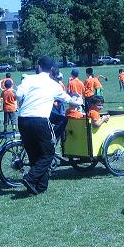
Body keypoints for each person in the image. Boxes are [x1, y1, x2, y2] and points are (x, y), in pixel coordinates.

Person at [16, 56, 82, 195]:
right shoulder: (54, 85)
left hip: (23, 119)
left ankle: (39, 186)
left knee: (34, 154)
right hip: (40, 120)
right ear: (51, 69)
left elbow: (19, 94)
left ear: (38, 66)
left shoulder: (28, 79)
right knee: (48, 154)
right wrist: (79, 102)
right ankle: (30, 177)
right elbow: (69, 100)